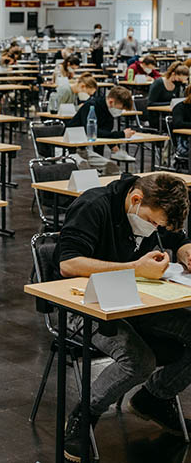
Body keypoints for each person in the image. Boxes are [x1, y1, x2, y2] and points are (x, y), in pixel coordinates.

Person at [55, 172, 191, 461]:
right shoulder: (93, 206)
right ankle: (84, 414)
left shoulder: (151, 208)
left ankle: (154, 397)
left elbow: (173, 234)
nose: (156, 229)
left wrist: (183, 247)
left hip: (134, 299)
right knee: (139, 361)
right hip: (82, 304)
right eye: (154, 223)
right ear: (135, 199)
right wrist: (134, 269)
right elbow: (68, 264)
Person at [67, 84, 136, 165]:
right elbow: (91, 133)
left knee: (110, 168)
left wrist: (114, 148)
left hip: (86, 149)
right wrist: (121, 134)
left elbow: (105, 133)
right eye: (120, 109)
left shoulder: (109, 111)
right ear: (111, 102)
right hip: (73, 148)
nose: (121, 112)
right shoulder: (91, 106)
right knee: (89, 167)